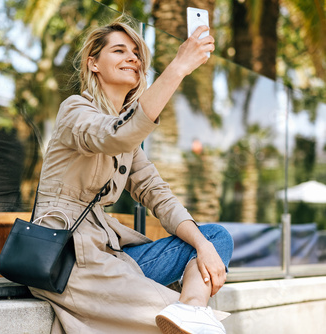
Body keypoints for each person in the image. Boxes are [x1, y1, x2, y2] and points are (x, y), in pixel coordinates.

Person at [27, 18, 234, 334]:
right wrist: (177, 67)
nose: (132, 58)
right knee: (173, 321)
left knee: (214, 238)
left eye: (137, 53)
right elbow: (114, 136)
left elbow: (157, 193)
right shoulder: (75, 110)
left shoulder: (129, 138)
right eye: (120, 50)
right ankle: (189, 316)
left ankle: (191, 309)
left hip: (114, 255)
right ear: (93, 63)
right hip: (68, 256)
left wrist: (202, 245)